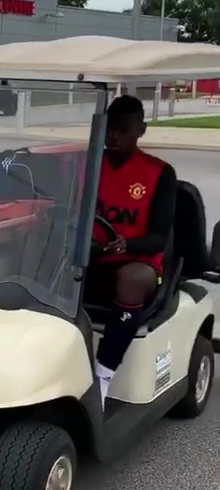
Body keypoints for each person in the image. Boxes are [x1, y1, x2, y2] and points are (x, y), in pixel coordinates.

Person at [85, 94, 177, 407]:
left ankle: (103, 375)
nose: (114, 135)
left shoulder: (159, 173)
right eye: (111, 127)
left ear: (141, 130)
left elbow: (159, 238)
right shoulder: (91, 164)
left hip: (139, 262)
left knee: (130, 278)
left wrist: (127, 243)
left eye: (123, 129)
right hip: (92, 256)